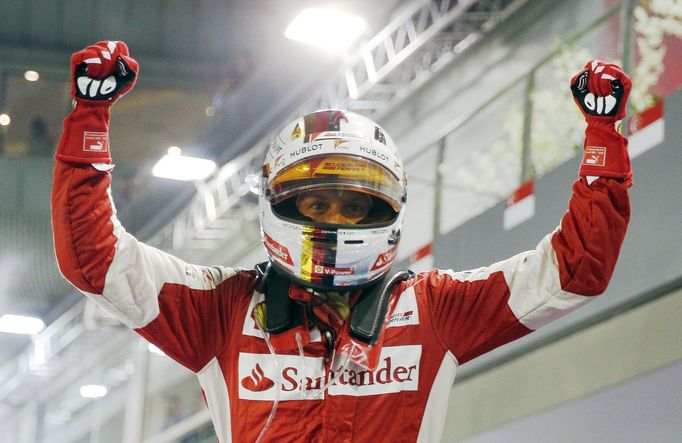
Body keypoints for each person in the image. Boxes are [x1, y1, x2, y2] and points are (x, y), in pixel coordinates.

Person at [52, 42, 632, 442]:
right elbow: (97, 261)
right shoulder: (219, 310)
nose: (335, 220)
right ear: (280, 205)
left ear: (386, 211)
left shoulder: (434, 307)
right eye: (316, 202)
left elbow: (572, 271)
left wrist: (604, 144)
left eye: (356, 205)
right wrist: (89, 121)